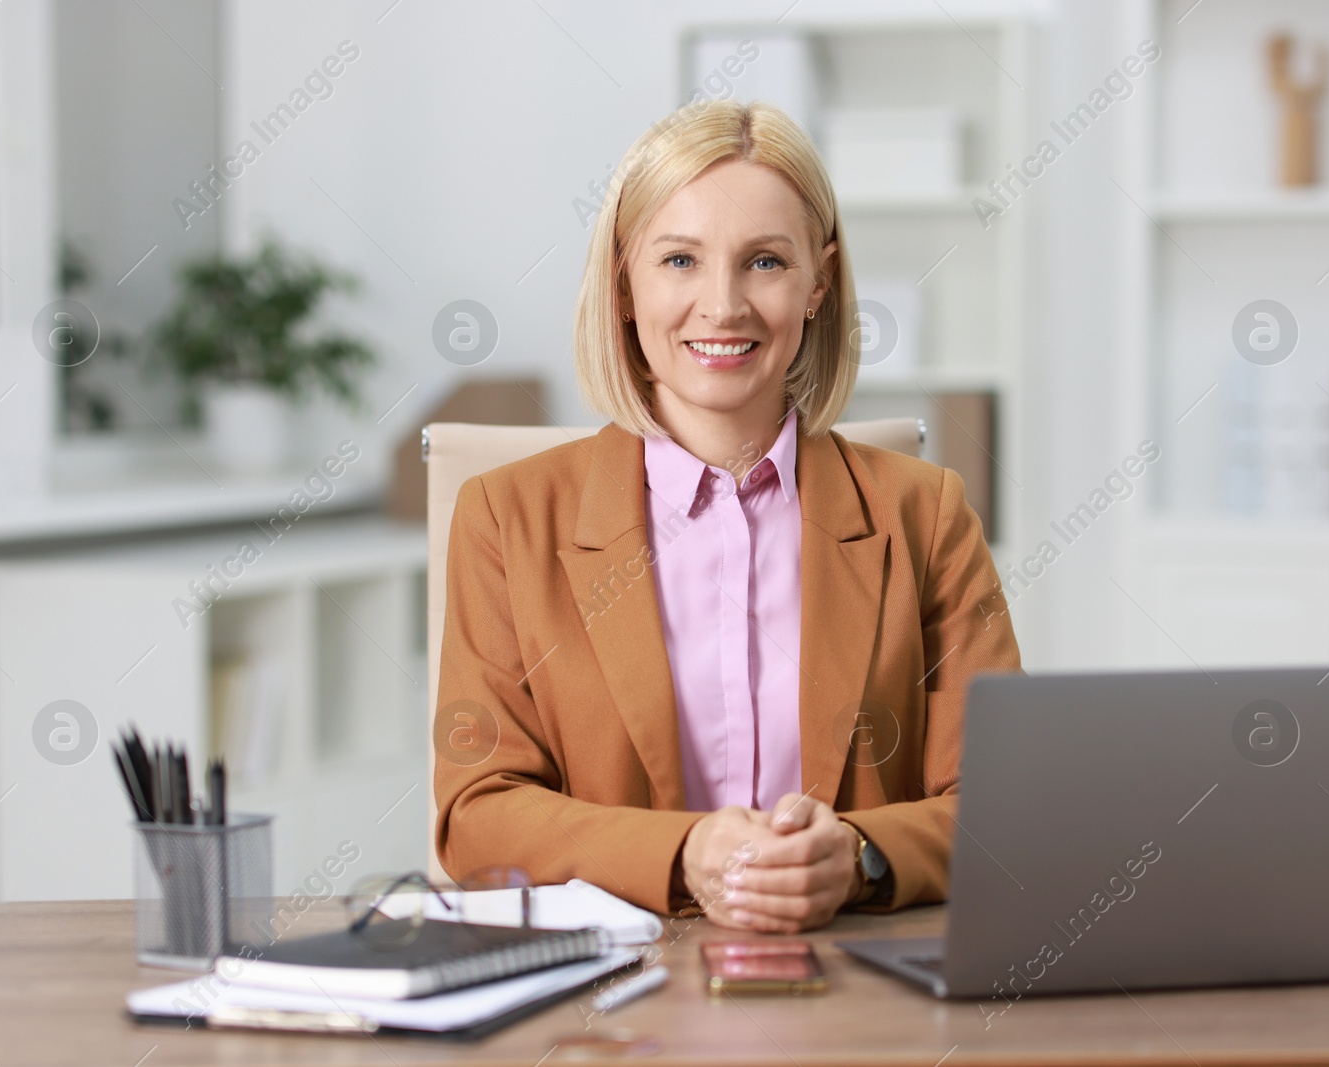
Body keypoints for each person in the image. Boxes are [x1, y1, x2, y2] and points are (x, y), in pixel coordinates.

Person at [434, 98, 1021, 933]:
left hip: (858, 989)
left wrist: (859, 854)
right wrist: (682, 853)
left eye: (765, 263)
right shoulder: (507, 517)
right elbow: (477, 813)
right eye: (679, 259)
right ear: (623, 283)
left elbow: (1007, 806)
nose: (723, 305)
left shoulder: (925, 514)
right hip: (612, 1008)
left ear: (819, 283)